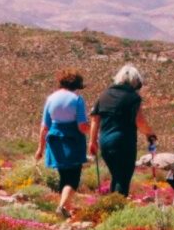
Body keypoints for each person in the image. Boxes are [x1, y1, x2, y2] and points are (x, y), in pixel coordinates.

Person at [89, 64, 156, 197]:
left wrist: (92, 141)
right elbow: (140, 121)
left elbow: (95, 119)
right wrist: (150, 134)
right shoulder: (133, 98)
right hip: (123, 143)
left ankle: (112, 204)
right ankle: (117, 208)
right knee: (123, 177)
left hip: (105, 143)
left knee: (116, 175)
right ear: (136, 82)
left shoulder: (104, 95)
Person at [35, 69, 90, 218]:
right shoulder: (77, 100)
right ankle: (61, 206)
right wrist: (93, 131)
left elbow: (44, 126)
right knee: (73, 178)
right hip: (72, 140)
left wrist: (40, 148)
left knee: (64, 176)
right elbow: (81, 126)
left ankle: (66, 209)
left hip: (54, 140)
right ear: (77, 84)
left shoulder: (51, 99)